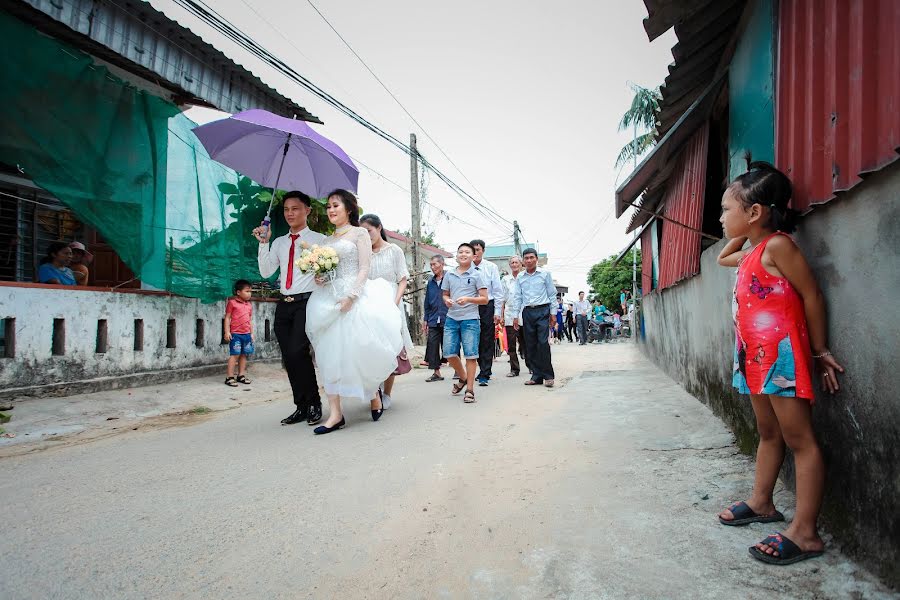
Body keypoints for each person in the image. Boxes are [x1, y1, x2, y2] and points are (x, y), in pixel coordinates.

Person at [716, 162, 844, 565]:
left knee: (799, 440)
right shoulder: (753, 250)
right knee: (767, 432)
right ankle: (762, 502)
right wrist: (742, 233)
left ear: (755, 213)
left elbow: (812, 296)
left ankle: (806, 533)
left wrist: (820, 352)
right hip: (753, 358)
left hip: (781, 359)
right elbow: (723, 257)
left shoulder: (778, 247)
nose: (721, 218)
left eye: (726, 209)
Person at [304, 190, 402, 433]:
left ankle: (373, 396)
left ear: (348, 209)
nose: (330, 210)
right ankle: (336, 414)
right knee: (328, 355)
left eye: (335, 205)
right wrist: (320, 277)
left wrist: (352, 296)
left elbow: (364, 267)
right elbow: (328, 274)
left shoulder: (359, 233)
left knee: (360, 351)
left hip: (355, 297)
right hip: (329, 300)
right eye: (328, 206)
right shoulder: (326, 241)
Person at [253, 191, 327, 426]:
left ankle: (314, 402)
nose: (290, 213)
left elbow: (329, 273)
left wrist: (323, 275)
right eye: (286, 209)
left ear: (307, 210)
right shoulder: (279, 242)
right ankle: (301, 406)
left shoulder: (319, 240)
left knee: (298, 352)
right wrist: (263, 243)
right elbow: (266, 272)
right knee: (289, 357)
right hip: (283, 305)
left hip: (307, 302)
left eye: (295, 208)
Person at [360, 213, 414, 412]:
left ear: (379, 228)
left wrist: (395, 302)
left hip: (391, 302)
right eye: (363, 233)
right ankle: (374, 390)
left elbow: (402, 279)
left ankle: (387, 393)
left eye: (369, 231)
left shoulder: (394, 251)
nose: (367, 236)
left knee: (391, 348)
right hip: (369, 305)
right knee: (372, 347)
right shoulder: (363, 253)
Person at [441, 243, 489, 403]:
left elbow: (484, 299)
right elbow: (445, 294)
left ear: (473, 256)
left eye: (467, 252)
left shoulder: (477, 274)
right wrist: (447, 301)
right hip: (451, 318)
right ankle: (463, 377)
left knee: (471, 355)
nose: (463, 254)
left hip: (470, 319)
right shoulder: (449, 275)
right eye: (460, 251)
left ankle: (470, 390)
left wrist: (468, 299)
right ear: (456, 256)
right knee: (448, 353)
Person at [509, 248, 556, 387]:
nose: (529, 260)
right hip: (527, 312)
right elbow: (517, 297)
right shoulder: (520, 277)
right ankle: (536, 376)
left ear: (536, 259)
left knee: (542, 343)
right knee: (530, 345)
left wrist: (553, 313)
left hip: (543, 310)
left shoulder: (545, 274)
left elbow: (552, 294)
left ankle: (548, 375)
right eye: (526, 258)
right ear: (523, 261)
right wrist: (515, 316)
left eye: (531, 257)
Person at [470, 239, 503, 387]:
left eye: (477, 249)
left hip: (487, 306)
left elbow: (497, 291)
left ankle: (485, 372)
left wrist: (497, 311)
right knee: (473, 340)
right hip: (470, 306)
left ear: (483, 251)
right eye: (472, 250)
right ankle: (482, 369)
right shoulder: (465, 267)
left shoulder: (491, 267)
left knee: (486, 340)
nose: (475, 252)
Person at [423, 254, 448, 382]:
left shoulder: (450, 278)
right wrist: (425, 319)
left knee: (449, 345)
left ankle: (458, 370)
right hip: (433, 318)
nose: (433, 267)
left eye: (435, 264)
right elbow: (427, 302)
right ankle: (436, 372)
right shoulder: (430, 282)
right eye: (431, 265)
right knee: (432, 345)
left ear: (442, 264)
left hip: (447, 316)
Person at [224, 279, 254, 387]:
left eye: (250, 291)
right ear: (238, 292)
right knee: (235, 355)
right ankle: (229, 377)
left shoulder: (249, 305)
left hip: (246, 334)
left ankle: (241, 375)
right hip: (235, 334)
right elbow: (227, 318)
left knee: (244, 355)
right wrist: (227, 331)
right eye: (247, 291)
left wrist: (251, 333)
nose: (249, 294)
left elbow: (250, 320)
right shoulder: (232, 303)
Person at [500, 255, 527, 377]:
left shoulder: (525, 277)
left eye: (517, 262)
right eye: (512, 263)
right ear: (510, 265)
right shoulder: (506, 279)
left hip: (524, 314)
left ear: (521, 264)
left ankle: (531, 365)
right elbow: (502, 299)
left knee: (526, 342)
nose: (515, 264)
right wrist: (501, 315)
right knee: (511, 344)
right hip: (510, 315)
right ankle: (514, 369)